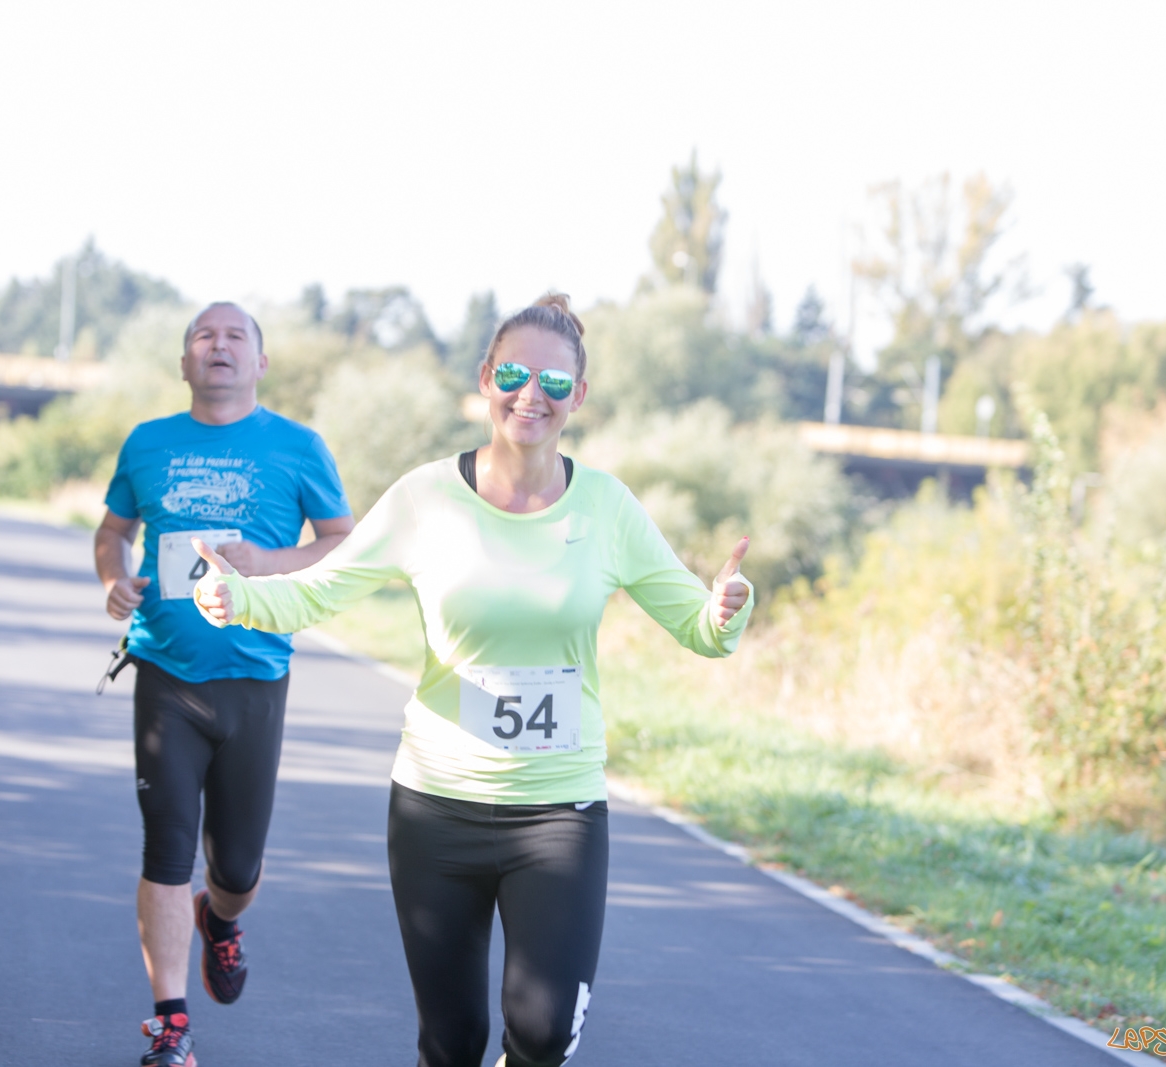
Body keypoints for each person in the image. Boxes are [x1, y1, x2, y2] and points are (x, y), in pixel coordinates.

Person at [191, 293, 752, 1067]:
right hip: (435, 810)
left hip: (558, 809)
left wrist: (724, 608)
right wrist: (239, 597)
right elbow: (324, 585)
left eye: (555, 383)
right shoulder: (425, 498)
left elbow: (699, 628)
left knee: (544, 1031)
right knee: (451, 1043)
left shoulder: (607, 507)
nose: (533, 396)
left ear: (578, 397)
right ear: (487, 378)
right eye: (515, 374)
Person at [94, 302, 354, 1067]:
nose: (219, 345)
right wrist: (114, 575)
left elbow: (343, 542)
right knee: (166, 843)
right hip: (165, 673)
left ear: (260, 363)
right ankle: (170, 1025)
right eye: (204, 336)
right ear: (183, 364)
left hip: (256, 677)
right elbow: (115, 530)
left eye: (237, 334)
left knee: (236, 866)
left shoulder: (298, 446)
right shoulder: (148, 443)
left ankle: (222, 918)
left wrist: (270, 562)